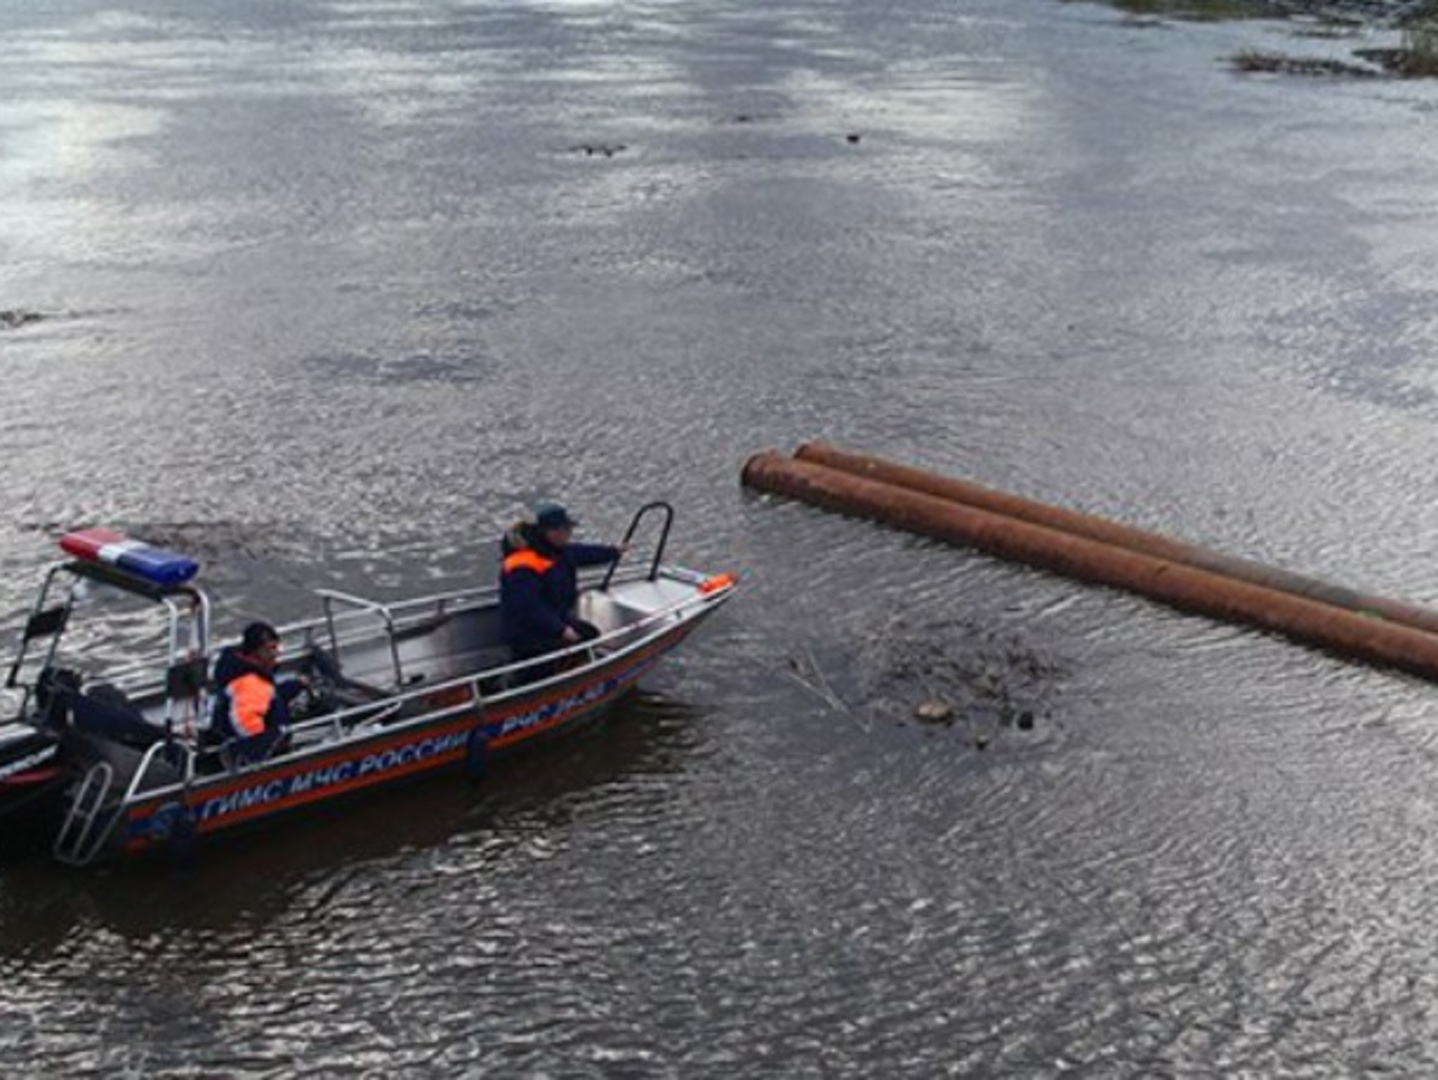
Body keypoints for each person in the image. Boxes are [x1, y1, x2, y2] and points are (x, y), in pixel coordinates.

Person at [499, 501, 624, 677]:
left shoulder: (556, 550)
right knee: (544, 661)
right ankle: (539, 683)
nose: (569, 533)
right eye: (565, 529)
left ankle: (571, 672)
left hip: (553, 618)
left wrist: (612, 552)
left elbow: (583, 553)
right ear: (548, 532)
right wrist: (561, 630)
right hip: (528, 631)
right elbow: (528, 608)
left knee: (589, 634)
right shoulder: (522, 565)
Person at [209, 621, 302, 764]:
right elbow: (245, 722)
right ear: (255, 652)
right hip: (252, 759)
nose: (275, 654)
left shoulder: (242, 673)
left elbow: (265, 698)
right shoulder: (250, 681)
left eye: (276, 648)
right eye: (270, 649)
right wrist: (265, 751)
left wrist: (297, 685)